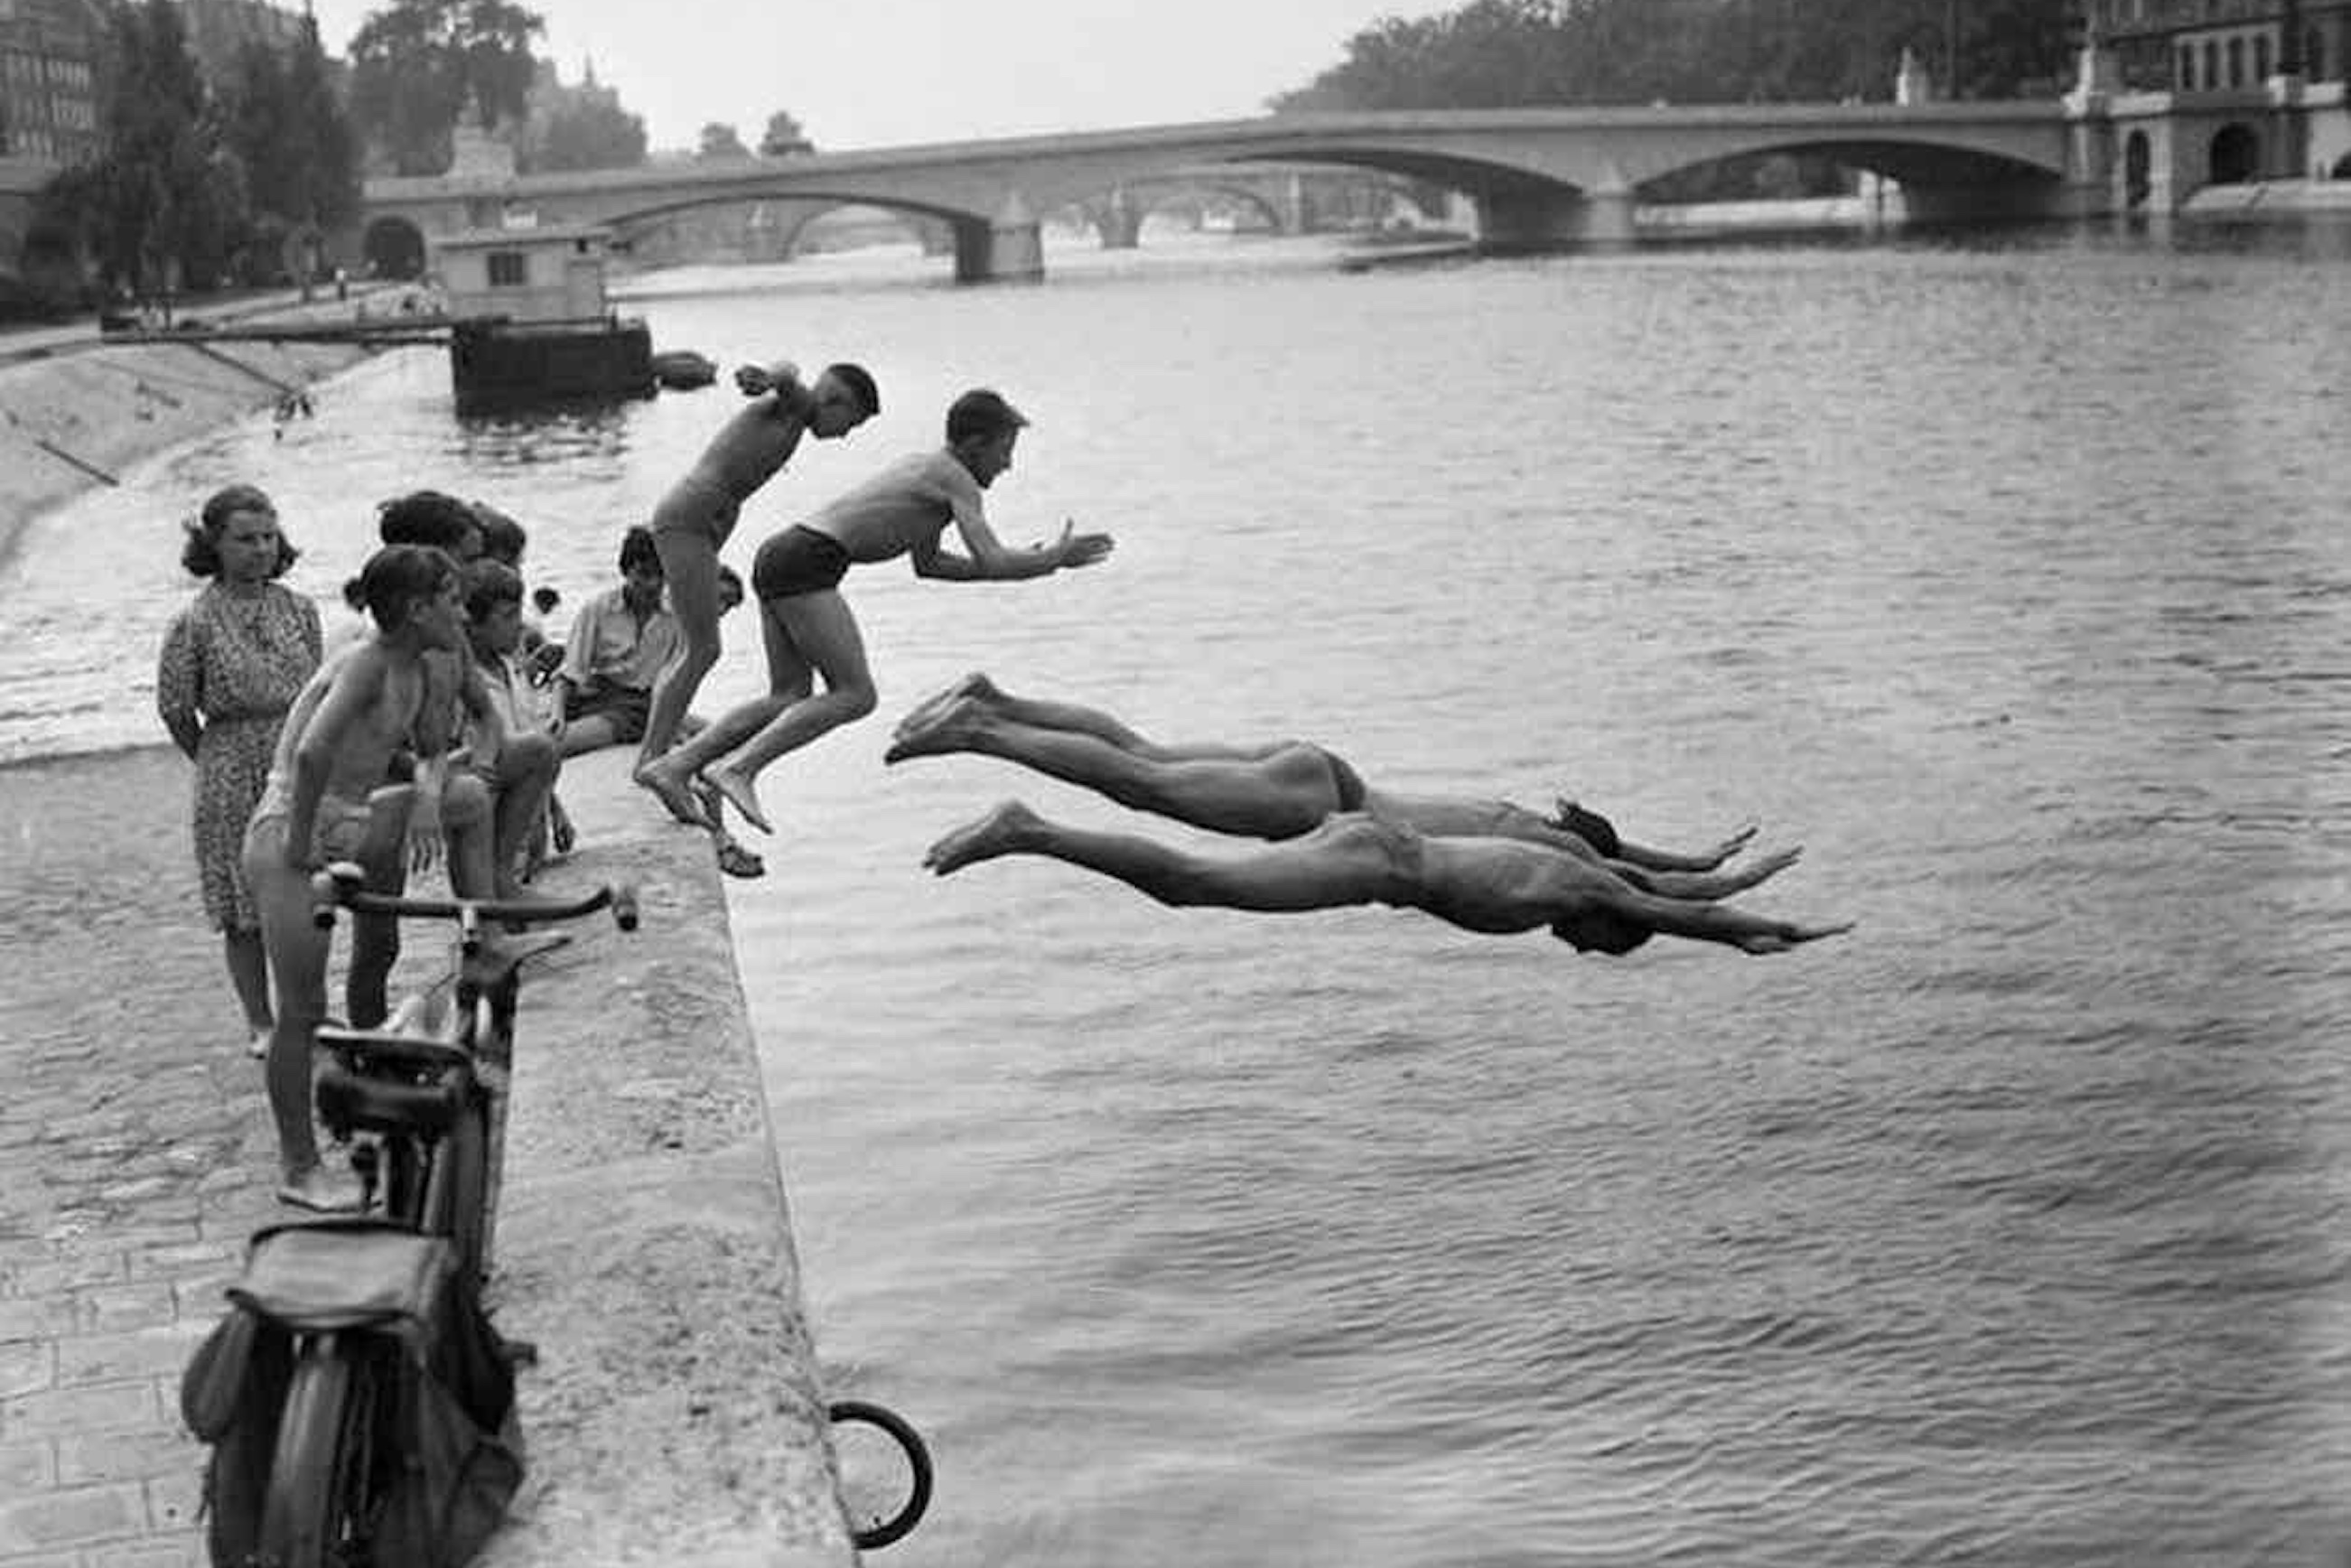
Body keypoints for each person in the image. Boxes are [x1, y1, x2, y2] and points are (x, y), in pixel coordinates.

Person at [636, 388, 1115, 835]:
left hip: (785, 552)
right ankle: (736, 768)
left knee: (789, 694)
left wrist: (1031, 560)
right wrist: (1054, 558)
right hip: (810, 561)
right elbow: (992, 560)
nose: (1009, 464)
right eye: (1004, 449)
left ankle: (675, 766)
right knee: (855, 695)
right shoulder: (957, 480)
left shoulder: (931, 471)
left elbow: (930, 565)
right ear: (974, 444)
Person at [885, 674, 1783, 895]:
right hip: (1317, 803)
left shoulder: (1520, 816)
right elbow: (1621, 875)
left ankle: (994, 702)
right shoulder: (1538, 848)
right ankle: (983, 733)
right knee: (1139, 785)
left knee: (1142, 756)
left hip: (1311, 768)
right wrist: (1711, 880)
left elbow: (1615, 851)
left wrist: (1694, 853)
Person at [242, 546, 503, 1211]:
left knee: (460, 809)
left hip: (349, 820)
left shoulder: (415, 666)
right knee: (298, 1010)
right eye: (449, 598)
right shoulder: (365, 664)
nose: (460, 610)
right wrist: (304, 847)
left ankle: (390, 1048)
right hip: (288, 833)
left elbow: (432, 754)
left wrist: (423, 797)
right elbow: (309, 753)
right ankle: (299, 1168)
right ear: (417, 609)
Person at [923, 801, 1854, 957]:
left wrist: (1727, 874)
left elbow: (1664, 885)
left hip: (1372, 844)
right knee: (1189, 882)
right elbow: (1669, 909)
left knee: (1194, 876)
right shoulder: (1585, 893)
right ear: (1603, 925)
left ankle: (1031, 829)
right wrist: (1757, 928)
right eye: (1598, 953)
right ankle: (1028, 830)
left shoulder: (1580, 865)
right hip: (1373, 860)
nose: (1580, 953)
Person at [635, 359, 882, 771]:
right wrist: (772, 378)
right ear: (834, 400)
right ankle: (653, 759)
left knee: (686, 646)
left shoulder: (796, 415)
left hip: (701, 522)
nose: (842, 436)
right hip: (690, 518)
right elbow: (788, 373)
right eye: (849, 423)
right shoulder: (797, 405)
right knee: (702, 649)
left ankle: (654, 752)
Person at [155, 484, 324, 1058]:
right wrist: (212, 760)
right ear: (215, 546)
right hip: (229, 760)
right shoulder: (193, 622)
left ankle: (309, 1007)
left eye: (268, 537)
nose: (259, 550)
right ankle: (261, 1020)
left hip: (296, 750)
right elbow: (176, 708)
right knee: (243, 907)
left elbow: (321, 688)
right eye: (244, 540)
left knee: (306, 888)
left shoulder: (299, 608)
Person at [455, 559, 561, 897]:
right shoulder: (464, 678)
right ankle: (497, 880)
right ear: (473, 624)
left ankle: (506, 881)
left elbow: (526, 732)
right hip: (485, 800)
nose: (520, 626)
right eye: (507, 617)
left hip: (524, 821)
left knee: (541, 747)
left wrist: (557, 809)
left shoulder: (509, 667)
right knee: (538, 749)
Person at [553, 526, 678, 757]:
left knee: (554, 746)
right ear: (626, 572)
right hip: (596, 697)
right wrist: (557, 714)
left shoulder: (676, 616)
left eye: (660, 575)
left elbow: (680, 676)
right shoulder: (598, 609)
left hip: (640, 707)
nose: (653, 584)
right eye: (643, 574)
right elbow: (569, 671)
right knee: (548, 738)